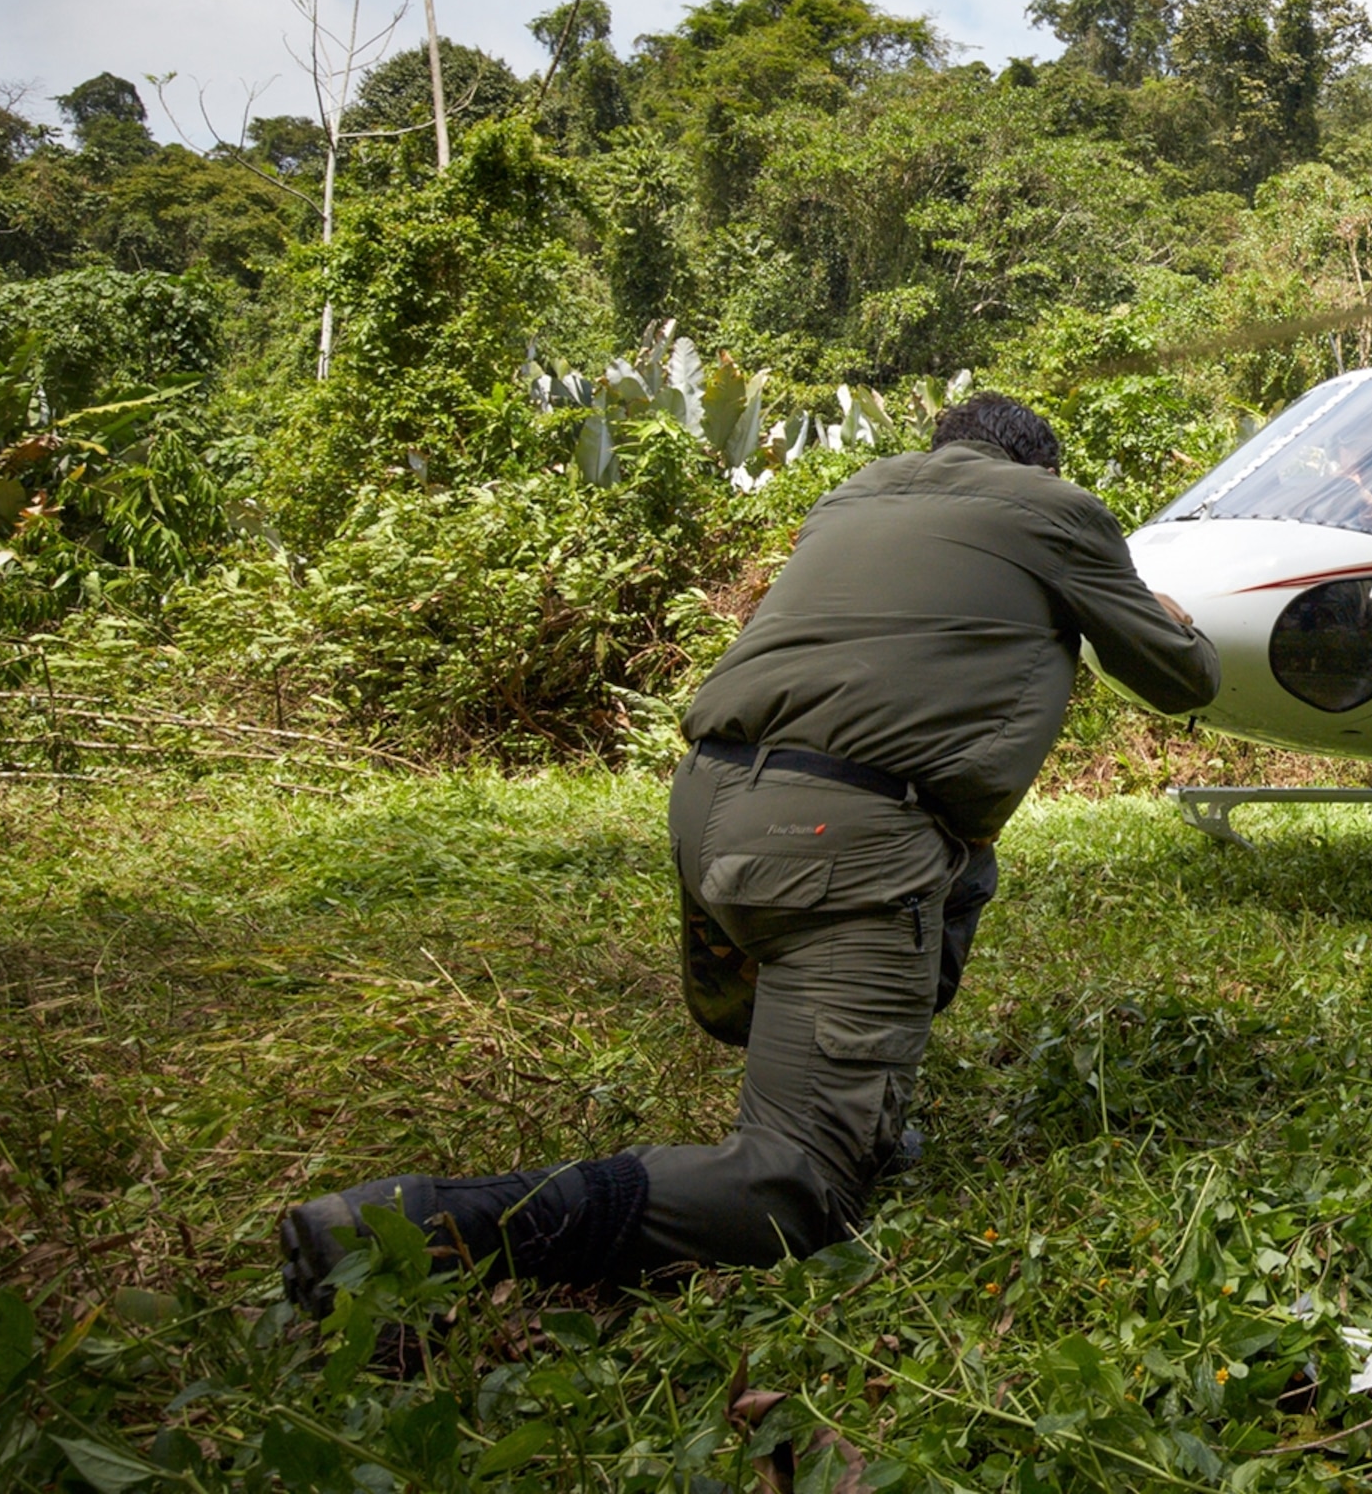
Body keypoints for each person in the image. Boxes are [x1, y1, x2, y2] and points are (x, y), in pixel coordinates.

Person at [279, 393, 1218, 1308]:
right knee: (798, 1189)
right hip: (837, 842)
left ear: (942, 444)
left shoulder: (852, 495)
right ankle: (414, 1228)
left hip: (708, 805)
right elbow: (1179, 681)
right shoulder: (1055, 511)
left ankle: (866, 1106)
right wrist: (1170, 615)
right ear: (1038, 468)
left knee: (961, 868)